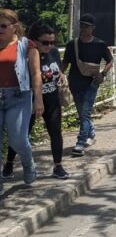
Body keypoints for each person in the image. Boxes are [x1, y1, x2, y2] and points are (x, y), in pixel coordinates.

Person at [2, 22, 69, 180]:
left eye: (53, 42)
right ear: (34, 40)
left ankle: (58, 166)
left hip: (51, 99)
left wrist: (61, 75)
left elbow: (57, 68)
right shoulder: (25, 54)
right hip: (27, 101)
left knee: (55, 132)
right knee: (20, 135)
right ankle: (9, 163)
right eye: (45, 42)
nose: (50, 46)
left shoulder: (53, 53)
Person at [0, 9, 43, 194]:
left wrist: (38, 100)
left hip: (19, 97)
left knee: (18, 139)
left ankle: (28, 164)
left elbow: (36, 73)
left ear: (14, 27)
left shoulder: (27, 45)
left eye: (3, 26)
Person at [61, 13, 113, 157]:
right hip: (75, 83)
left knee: (85, 113)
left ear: (93, 28)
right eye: (82, 25)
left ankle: (80, 142)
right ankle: (91, 132)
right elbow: (65, 62)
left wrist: (102, 74)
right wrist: (59, 75)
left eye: (87, 26)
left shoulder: (100, 44)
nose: (83, 28)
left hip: (92, 83)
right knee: (82, 114)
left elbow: (110, 61)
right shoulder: (72, 44)